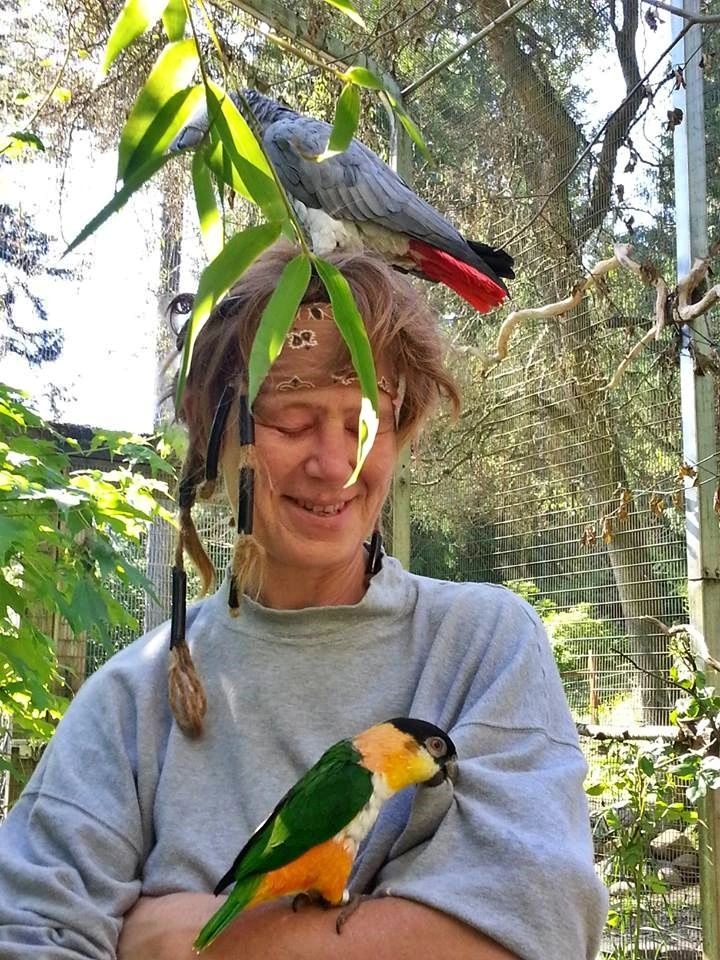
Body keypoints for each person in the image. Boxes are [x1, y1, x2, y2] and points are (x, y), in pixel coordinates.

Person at [0, 244, 608, 960]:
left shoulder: (480, 645)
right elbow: (30, 933)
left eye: (365, 425)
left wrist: (196, 943)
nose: (333, 463)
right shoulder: (132, 702)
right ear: (212, 431)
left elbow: (538, 926)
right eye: (291, 421)